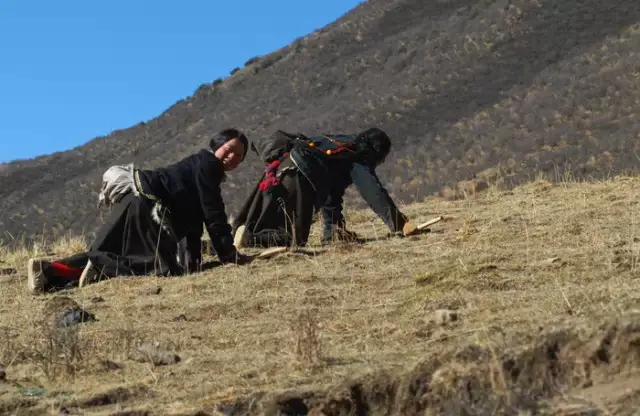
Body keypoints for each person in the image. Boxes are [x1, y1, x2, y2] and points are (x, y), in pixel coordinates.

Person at [27, 128, 252, 295]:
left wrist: (191, 265)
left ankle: (47, 272)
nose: (232, 157)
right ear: (217, 145)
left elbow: (195, 223)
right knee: (156, 266)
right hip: (151, 209)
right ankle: (96, 268)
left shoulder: (196, 167)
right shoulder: (208, 164)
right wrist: (228, 254)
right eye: (230, 149)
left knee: (108, 253)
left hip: (133, 199)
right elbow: (213, 211)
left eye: (239, 156)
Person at [232, 127, 417, 248]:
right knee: (295, 239)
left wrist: (332, 231)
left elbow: (332, 195)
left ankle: (218, 245)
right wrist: (400, 224)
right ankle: (250, 239)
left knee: (256, 222)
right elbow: (373, 192)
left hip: (277, 169)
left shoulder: (337, 147)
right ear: (377, 152)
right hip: (300, 175)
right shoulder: (359, 154)